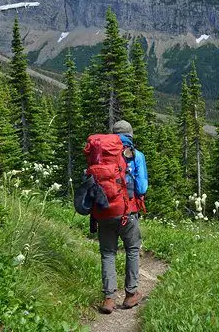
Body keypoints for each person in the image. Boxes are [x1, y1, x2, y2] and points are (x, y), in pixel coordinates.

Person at [95, 120, 148, 314]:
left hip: (104, 211)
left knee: (108, 253)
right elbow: (142, 188)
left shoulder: (101, 154)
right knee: (132, 250)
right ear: (130, 135)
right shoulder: (136, 155)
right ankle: (131, 294)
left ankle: (109, 298)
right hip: (128, 211)